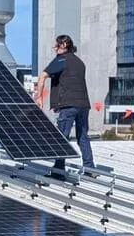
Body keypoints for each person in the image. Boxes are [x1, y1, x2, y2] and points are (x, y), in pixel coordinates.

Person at [33, 34, 95, 175]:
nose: (55, 48)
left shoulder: (62, 59)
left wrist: (39, 98)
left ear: (64, 45)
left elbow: (42, 76)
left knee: (61, 137)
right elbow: (69, 81)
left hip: (68, 105)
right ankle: (90, 168)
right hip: (83, 104)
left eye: (57, 45)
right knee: (83, 136)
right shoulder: (80, 62)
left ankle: (58, 170)